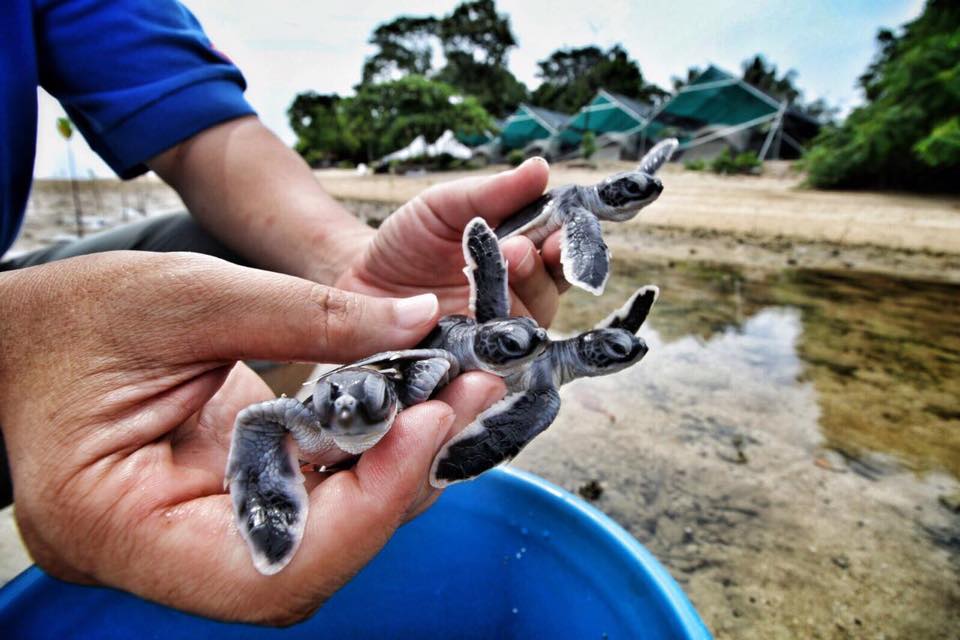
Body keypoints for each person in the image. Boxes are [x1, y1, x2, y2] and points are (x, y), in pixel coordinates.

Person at [0, 0, 563, 624]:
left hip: (402, 356)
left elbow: (201, 132)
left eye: (355, 406)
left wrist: (352, 270)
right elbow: (275, 421)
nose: (344, 411)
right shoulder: (314, 413)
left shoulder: (413, 381)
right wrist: (13, 344)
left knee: (221, 255)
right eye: (340, 406)